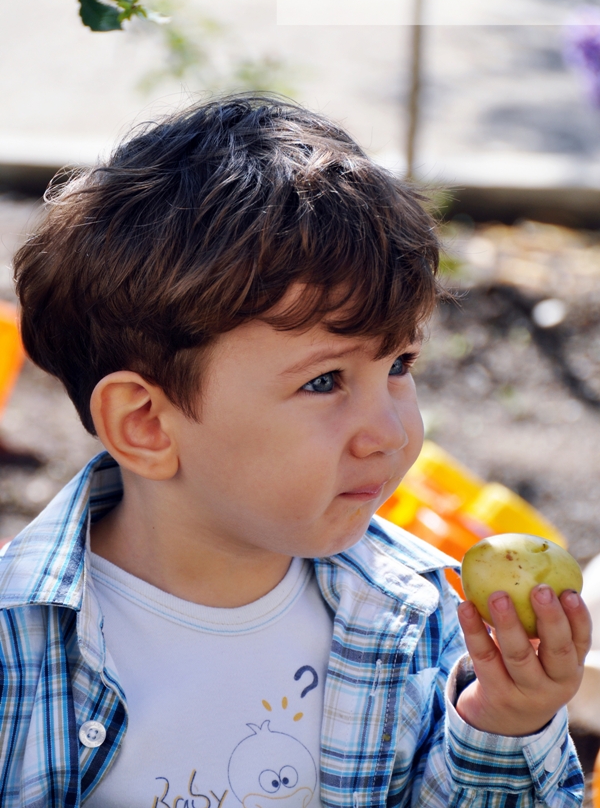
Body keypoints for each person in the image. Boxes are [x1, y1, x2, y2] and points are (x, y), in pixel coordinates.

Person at [5, 95, 590, 808]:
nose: (394, 431)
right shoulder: (18, 642)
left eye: (399, 366)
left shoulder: (427, 625)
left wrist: (501, 724)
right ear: (148, 425)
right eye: (324, 380)